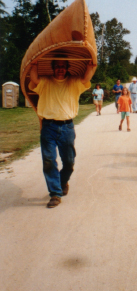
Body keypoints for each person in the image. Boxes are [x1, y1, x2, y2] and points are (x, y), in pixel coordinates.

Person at [28, 57, 96, 208]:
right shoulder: (45, 81)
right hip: (48, 126)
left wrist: (91, 65)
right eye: (57, 66)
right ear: (53, 68)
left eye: (63, 66)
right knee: (48, 160)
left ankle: (62, 181)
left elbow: (86, 77)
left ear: (67, 68)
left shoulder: (74, 82)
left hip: (67, 127)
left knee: (69, 162)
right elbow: (34, 79)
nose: (60, 69)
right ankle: (55, 194)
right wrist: (33, 63)